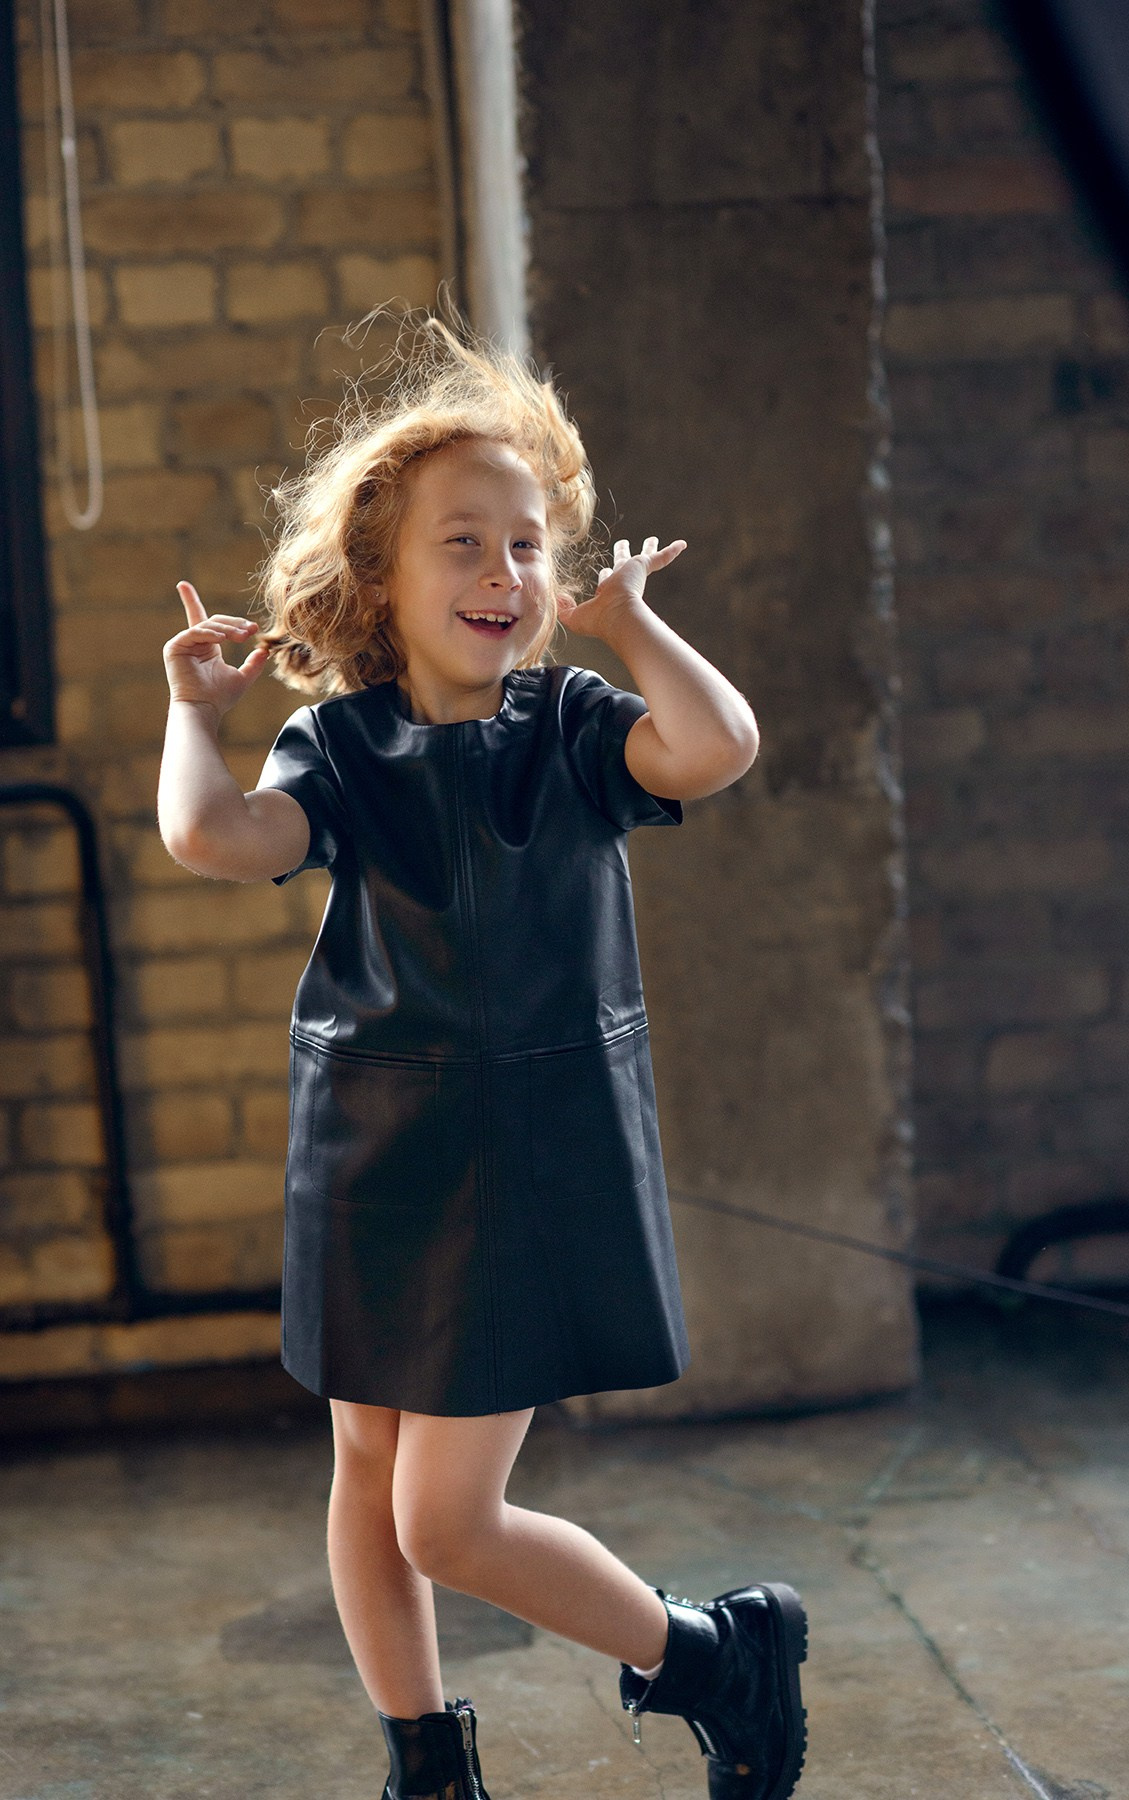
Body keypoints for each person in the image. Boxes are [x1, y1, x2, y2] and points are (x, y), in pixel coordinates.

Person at [156, 306, 808, 1800]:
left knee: (445, 1522)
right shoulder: (334, 747)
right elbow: (212, 836)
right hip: (371, 1145)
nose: (502, 571)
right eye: (460, 542)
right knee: (369, 1481)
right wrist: (196, 714)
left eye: (526, 545)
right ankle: (424, 1764)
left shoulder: (575, 728)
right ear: (378, 580)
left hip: (526, 1150)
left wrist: (634, 624)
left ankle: (709, 1653)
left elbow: (715, 749)